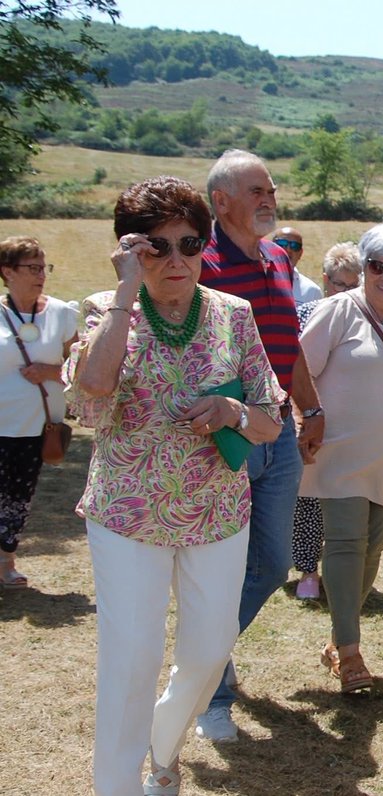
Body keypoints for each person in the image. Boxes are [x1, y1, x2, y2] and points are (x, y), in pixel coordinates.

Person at [69, 176, 284, 795]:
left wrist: (231, 411)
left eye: (189, 244)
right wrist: (123, 295)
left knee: (210, 650)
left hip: (216, 512)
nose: (175, 260)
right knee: (131, 660)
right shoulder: (105, 309)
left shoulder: (233, 315)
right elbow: (94, 390)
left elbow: (271, 418)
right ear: (129, 252)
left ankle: (164, 746)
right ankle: (117, 786)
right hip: (127, 516)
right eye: (154, 247)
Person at [194, 149, 326, 742]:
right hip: (225, 438)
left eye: (270, 189)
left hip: (280, 430)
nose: (269, 199)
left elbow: (289, 349)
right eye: (255, 191)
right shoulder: (203, 264)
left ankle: (203, 656)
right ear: (221, 203)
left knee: (273, 563)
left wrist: (313, 407)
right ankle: (210, 691)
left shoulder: (278, 260)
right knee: (220, 569)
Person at [299, 219, 383, 690]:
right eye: (376, 266)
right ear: (364, 265)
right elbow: (298, 366)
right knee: (345, 546)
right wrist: (307, 416)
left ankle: (335, 641)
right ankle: (350, 654)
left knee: (370, 552)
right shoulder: (338, 310)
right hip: (339, 451)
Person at [0, 236, 77, 588]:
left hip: (38, 426)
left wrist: (50, 373)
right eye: (31, 267)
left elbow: (80, 367)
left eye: (43, 267)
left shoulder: (61, 313)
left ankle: (6, 563)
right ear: (7, 272)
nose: (40, 274)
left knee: (19, 496)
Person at [292, 241, 363, 601]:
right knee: (307, 499)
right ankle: (308, 570)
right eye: (339, 284)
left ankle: (344, 572)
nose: (345, 292)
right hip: (312, 418)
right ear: (325, 280)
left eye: (353, 286)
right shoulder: (304, 314)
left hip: (351, 425)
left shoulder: (366, 317)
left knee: (343, 501)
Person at [273, 226, 322, 305]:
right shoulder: (256, 282)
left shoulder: (312, 292)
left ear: (300, 253)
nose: (288, 249)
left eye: (295, 246)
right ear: (270, 247)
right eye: (282, 243)